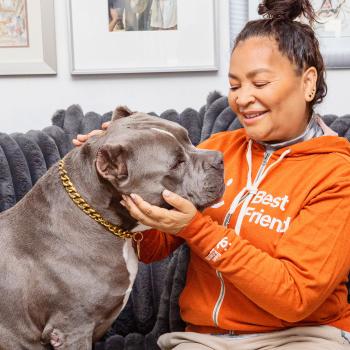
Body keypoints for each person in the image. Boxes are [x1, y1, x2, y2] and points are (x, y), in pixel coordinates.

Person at [74, 0, 350, 348]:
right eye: (234, 86)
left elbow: (294, 297)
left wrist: (197, 229)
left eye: (260, 83)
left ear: (308, 82)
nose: (243, 98)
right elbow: (155, 246)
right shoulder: (219, 150)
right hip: (205, 340)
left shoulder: (336, 174)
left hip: (304, 336)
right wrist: (115, 179)